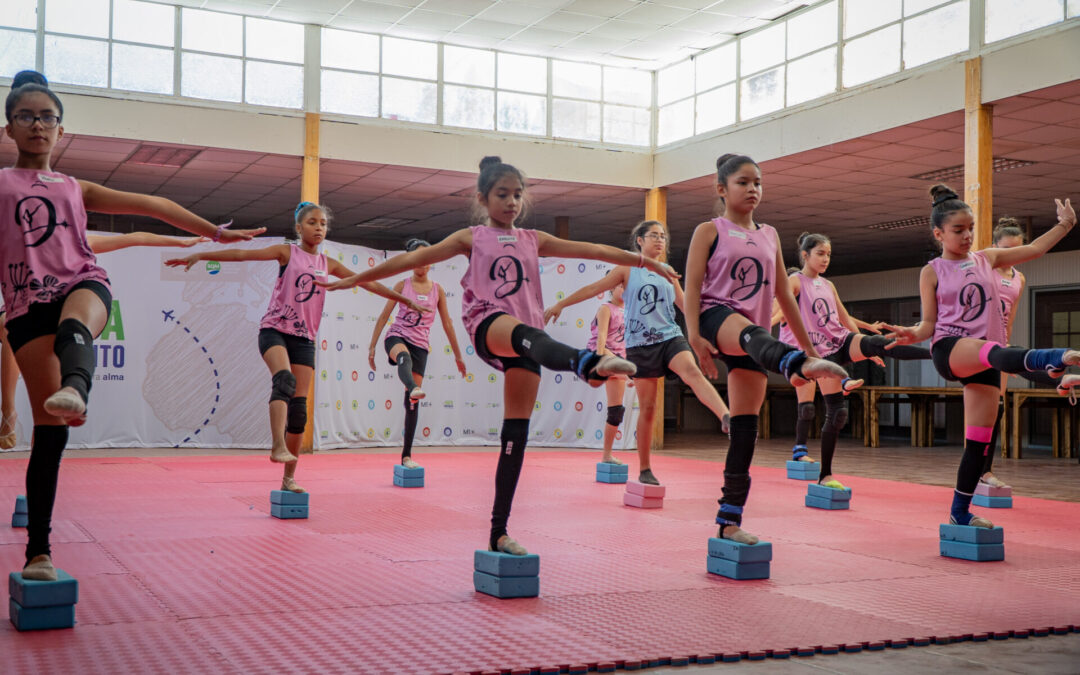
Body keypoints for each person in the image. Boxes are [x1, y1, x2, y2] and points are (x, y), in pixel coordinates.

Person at [320, 156, 675, 556]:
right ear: (482, 198)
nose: (511, 203)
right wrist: (351, 278)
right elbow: (409, 260)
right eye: (502, 195)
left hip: (526, 340)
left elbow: (592, 248)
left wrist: (645, 262)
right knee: (529, 334)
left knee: (515, 435)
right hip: (488, 324)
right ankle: (586, 363)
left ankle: (499, 532)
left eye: (517, 195)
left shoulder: (533, 239)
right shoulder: (470, 238)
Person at [1, 70, 264, 581]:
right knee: (49, 436)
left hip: (81, 284)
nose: (38, 125)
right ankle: (39, 552)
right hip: (25, 307)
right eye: (27, 117)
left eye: (48, 118)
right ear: (9, 127)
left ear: (61, 129)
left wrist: (212, 232)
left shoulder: (76, 187)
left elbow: (152, 207)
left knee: (76, 327)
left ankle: (77, 388)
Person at [167, 202, 424, 493]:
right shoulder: (287, 253)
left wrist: (404, 300)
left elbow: (367, 283)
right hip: (274, 330)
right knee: (284, 381)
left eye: (324, 223)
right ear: (299, 228)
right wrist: (201, 254)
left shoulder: (329, 264)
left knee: (299, 411)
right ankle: (277, 444)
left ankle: (288, 479)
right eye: (313, 222)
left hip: (304, 339)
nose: (319, 228)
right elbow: (242, 254)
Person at [684, 153, 861, 545]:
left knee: (745, 431)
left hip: (758, 339)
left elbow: (784, 292)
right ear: (721, 189)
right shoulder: (708, 231)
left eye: (758, 183)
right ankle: (793, 362)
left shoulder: (770, 235)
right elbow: (693, 287)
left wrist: (813, 351)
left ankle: (729, 521)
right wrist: (694, 336)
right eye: (743, 182)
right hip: (719, 319)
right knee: (749, 332)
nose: (752, 189)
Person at [884, 185, 1076, 529]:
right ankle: (1057, 359)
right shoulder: (932, 271)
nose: (967, 236)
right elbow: (929, 323)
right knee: (994, 351)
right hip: (950, 350)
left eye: (971, 228)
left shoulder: (988, 258)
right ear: (938, 233)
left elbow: (1034, 250)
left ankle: (960, 514)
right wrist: (912, 333)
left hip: (987, 357)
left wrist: (1065, 225)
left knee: (979, 442)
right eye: (958, 231)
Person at [544, 220, 731, 486]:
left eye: (663, 236)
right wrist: (561, 304)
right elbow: (593, 289)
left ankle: (726, 417)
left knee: (691, 371)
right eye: (654, 236)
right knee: (648, 407)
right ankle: (645, 468)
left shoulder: (668, 273)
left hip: (670, 336)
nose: (660, 240)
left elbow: (687, 305)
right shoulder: (627, 270)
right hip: (641, 346)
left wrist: (712, 328)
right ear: (639, 241)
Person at [0, 232, 209, 450]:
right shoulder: (16, 242)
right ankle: (8, 411)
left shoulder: (75, 240)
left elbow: (136, 237)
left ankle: (44, 432)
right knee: (9, 326)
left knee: (56, 373)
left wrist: (181, 241)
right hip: (25, 307)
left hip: (62, 313)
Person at [775, 232, 930, 489]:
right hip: (812, 354)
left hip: (836, 341)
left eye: (828, 255)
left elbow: (844, 318)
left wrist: (866, 346)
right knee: (831, 412)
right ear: (805, 255)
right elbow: (777, 310)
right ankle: (819, 469)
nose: (826, 259)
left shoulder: (828, 285)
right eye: (820, 254)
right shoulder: (795, 281)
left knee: (880, 344)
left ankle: (936, 354)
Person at [368, 238, 467, 469]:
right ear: (410, 261)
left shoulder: (438, 290)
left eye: (427, 259)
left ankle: (406, 456)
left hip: (421, 346)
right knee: (404, 358)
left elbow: (448, 324)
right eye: (418, 259)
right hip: (397, 337)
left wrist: (458, 356)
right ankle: (413, 386)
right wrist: (372, 346)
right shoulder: (402, 286)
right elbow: (384, 316)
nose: (422, 264)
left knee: (412, 404)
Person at [587, 282, 631, 466]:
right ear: (612, 288)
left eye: (627, 287)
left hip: (619, 360)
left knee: (616, 411)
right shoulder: (606, 309)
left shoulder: (629, 311)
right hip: (602, 355)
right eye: (621, 286)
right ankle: (629, 375)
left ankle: (607, 454)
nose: (624, 290)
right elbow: (600, 343)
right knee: (631, 377)